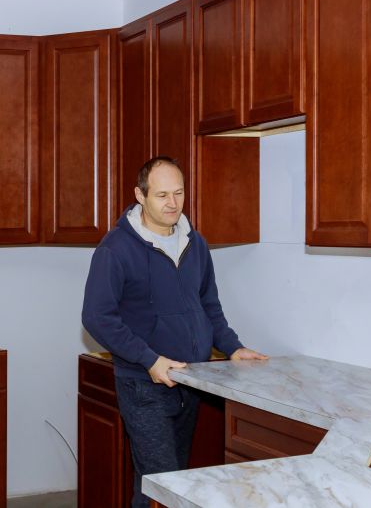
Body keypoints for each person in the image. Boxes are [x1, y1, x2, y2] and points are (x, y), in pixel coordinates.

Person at [81, 156, 267, 507]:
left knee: (168, 483)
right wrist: (148, 359)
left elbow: (208, 305)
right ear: (140, 195)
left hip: (190, 381)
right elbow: (96, 316)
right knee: (163, 481)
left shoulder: (195, 243)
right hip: (143, 383)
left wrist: (232, 348)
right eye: (162, 195)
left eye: (178, 193)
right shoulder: (115, 249)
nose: (172, 203)